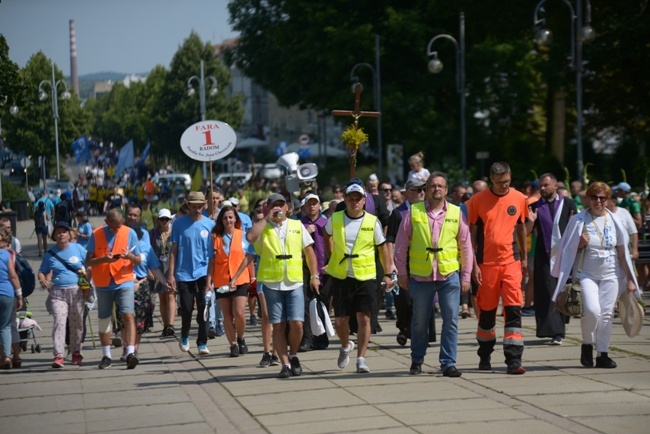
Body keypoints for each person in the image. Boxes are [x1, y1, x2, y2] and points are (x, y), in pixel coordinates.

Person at [552, 182, 640, 368]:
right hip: (586, 273)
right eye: (594, 197)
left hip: (611, 273)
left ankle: (602, 354)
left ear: (608, 200)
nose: (598, 201)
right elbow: (565, 250)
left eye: (602, 198)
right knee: (592, 311)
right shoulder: (578, 220)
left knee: (607, 314)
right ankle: (586, 344)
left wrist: (631, 279)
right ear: (588, 199)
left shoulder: (615, 220)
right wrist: (580, 244)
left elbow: (623, 253)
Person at [395, 172, 472, 376]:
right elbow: (401, 245)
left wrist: (466, 275)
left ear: (446, 190)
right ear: (426, 190)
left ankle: (448, 362)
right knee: (420, 321)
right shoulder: (413, 212)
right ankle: (417, 359)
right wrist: (402, 272)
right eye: (432, 186)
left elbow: (465, 246)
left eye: (440, 186)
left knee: (451, 319)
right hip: (421, 277)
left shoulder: (456, 212)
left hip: (449, 275)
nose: (436, 189)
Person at [246, 193, 319, 378]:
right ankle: (285, 363)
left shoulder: (296, 225)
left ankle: (293, 354)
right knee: (278, 325)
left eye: (281, 205)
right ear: (268, 208)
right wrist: (266, 218)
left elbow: (309, 251)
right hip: (272, 282)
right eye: (274, 205)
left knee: (297, 324)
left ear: (287, 207)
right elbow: (250, 237)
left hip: (294, 280)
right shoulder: (263, 227)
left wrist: (315, 275)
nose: (278, 208)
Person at [324, 183, 394, 374]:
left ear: (364, 200)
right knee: (340, 320)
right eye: (351, 198)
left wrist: (388, 273)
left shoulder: (372, 221)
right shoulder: (335, 218)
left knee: (364, 318)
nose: (354, 202)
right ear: (345, 200)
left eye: (358, 198)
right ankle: (346, 345)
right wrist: (331, 257)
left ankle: (361, 358)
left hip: (366, 275)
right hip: (341, 275)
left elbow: (382, 248)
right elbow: (326, 234)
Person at [467, 162, 529, 375]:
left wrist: (525, 258)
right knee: (487, 313)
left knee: (513, 310)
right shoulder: (477, 201)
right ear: (491, 180)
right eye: (500, 183)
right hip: (486, 264)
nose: (505, 186)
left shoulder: (520, 199)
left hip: (511, 261)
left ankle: (513, 359)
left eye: (508, 182)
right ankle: (484, 355)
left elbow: (521, 227)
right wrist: (473, 262)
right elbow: (472, 232)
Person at [86, 208, 142, 369]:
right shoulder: (96, 234)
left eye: (117, 227)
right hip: (103, 282)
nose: (114, 230)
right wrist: (103, 259)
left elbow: (138, 260)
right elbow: (88, 261)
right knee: (104, 318)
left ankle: (130, 352)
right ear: (105, 223)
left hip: (123, 279)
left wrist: (130, 257)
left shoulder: (129, 233)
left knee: (128, 315)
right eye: (111, 227)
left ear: (122, 222)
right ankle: (106, 355)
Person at [526, 173, 577, 345]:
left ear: (555, 186)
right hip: (544, 254)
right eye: (541, 185)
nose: (542, 188)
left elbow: (576, 225)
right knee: (547, 291)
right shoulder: (535, 206)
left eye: (546, 185)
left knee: (563, 290)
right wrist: (531, 222)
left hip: (565, 255)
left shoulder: (567, 203)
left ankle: (559, 329)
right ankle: (553, 331)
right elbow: (526, 231)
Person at [167, 191, 215, 355]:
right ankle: (185, 334)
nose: (197, 210)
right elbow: (173, 251)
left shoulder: (209, 225)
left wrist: (210, 279)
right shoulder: (179, 224)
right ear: (188, 206)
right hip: (183, 272)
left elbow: (212, 255)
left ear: (204, 206)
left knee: (204, 308)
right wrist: (170, 274)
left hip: (203, 272)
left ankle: (202, 342)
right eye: (194, 207)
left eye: (200, 207)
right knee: (187, 308)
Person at [386, 178, 432, 348]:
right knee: (404, 300)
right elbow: (389, 240)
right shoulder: (398, 213)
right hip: (402, 264)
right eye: (416, 190)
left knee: (421, 300)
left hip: (423, 264)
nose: (421, 193)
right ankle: (404, 327)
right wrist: (390, 264)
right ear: (407, 192)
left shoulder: (429, 212)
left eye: (423, 190)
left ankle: (416, 333)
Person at [205, 206, 256, 357]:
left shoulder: (243, 236)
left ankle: (240, 337)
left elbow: (249, 258)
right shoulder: (215, 237)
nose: (228, 220)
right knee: (227, 315)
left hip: (240, 279)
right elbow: (212, 261)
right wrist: (209, 281)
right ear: (221, 220)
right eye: (225, 217)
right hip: (222, 280)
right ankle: (232, 344)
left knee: (238, 312)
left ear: (235, 219)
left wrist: (252, 277)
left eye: (231, 217)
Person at [38, 222, 88, 368]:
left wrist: (87, 282)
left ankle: (76, 351)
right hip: (58, 292)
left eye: (64, 232)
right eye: (58, 232)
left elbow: (90, 264)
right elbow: (42, 271)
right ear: (54, 236)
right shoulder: (50, 254)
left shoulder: (78, 249)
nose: (61, 234)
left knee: (77, 322)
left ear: (69, 234)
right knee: (59, 321)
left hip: (77, 291)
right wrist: (42, 280)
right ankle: (59, 354)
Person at [298, 193, 328, 351]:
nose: (312, 207)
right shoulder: (298, 225)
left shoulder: (326, 223)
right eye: (309, 204)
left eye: (314, 203)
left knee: (323, 305)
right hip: (305, 269)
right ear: (304, 207)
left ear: (319, 205)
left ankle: (322, 338)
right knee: (306, 305)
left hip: (325, 268)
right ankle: (307, 339)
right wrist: (305, 232)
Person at [150, 208, 176, 337]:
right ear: (158, 220)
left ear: (171, 220)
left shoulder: (175, 233)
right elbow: (148, 252)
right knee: (162, 297)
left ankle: (171, 325)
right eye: (162, 219)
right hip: (158, 268)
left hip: (171, 268)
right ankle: (165, 326)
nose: (165, 222)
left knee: (170, 294)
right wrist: (149, 270)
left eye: (167, 219)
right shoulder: (153, 234)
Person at [0, 227, 22, 369]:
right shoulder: (6, 255)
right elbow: (13, 276)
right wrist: (19, 295)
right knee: (6, 326)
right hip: (7, 293)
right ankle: (7, 356)